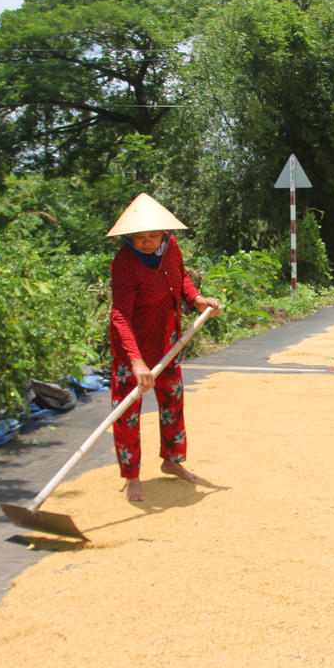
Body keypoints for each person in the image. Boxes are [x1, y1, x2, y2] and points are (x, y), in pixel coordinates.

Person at [107, 193, 221, 502]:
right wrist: (135, 361)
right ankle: (131, 476)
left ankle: (172, 460)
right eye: (140, 237)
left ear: (163, 233)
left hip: (168, 342)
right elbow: (119, 314)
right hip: (133, 349)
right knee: (127, 412)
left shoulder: (171, 249)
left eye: (152, 235)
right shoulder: (125, 263)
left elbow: (181, 279)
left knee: (172, 401)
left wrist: (196, 299)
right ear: (130, 237)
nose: (146, 242)